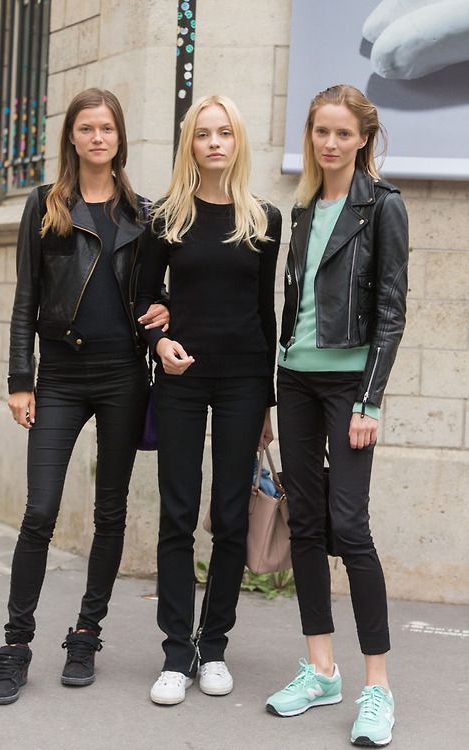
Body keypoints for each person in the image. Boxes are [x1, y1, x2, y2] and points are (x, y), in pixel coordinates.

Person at [0, 88, 169, 705]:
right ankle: (15, 646)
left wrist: (166, 312)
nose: (97, 138)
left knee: (110, 513)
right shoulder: (44, 204)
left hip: (123, 376)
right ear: (71, 136)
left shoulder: (143, 213)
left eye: (107, 128)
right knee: (39, 512)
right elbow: (26, 298)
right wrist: (21, 379)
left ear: (120, 138)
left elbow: (155, 292)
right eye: (86, 128)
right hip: (60, 376)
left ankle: (86, 634)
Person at [266, 85, 408, 747]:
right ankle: (321, 670)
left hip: (350, 384)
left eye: (343, 133)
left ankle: (378, 686)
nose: (330, 143)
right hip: (295, 380)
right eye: (321, 131)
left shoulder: (383, 206)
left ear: (363, 140)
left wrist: (370, 400)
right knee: (305, 523)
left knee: (349, 528)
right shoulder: (302, 208)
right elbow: (294, 306)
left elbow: (390, 310)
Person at [134, 94, 281, 706]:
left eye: (224, 133)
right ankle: (176, 652)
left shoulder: (264, 218)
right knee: (177, 511)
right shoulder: (166, 217)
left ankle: (214, 645)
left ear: (237, 142)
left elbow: (266, 313)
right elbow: (143, 300)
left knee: (229, 515)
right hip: (182, 380)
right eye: (203, 133)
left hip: (243, 380)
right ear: (189, 144)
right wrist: (159, 342)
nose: (214, 142)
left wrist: (267, 405)